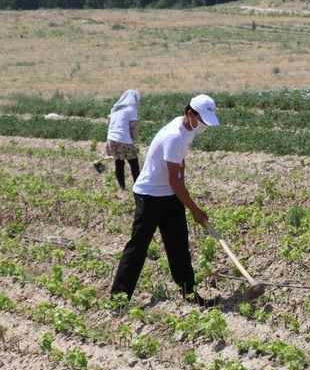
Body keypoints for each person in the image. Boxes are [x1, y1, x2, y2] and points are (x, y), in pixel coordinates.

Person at [110, 94, 220, 308]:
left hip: (170, 194)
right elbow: (173, 180)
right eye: (203, 120)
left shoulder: (188, 129)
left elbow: (180, 161)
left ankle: (190, 294)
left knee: (179, 246)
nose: (204, 126)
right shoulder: (174, 135)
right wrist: (195, 210)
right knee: (138, 247)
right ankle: (118, 301)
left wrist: (182, 181)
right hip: (149, 196)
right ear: (190, 113)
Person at [94, 89, 141, 190]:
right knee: (134, 163)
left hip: (111, 139)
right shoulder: (132, 109)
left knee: (119, 163)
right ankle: (138, 188)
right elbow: (133, 126)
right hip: (123, 138)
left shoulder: (116, 110)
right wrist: (132, 139)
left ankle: (122, 188)